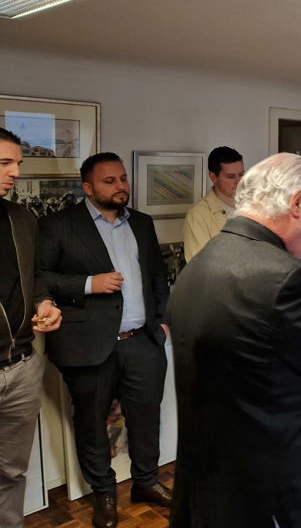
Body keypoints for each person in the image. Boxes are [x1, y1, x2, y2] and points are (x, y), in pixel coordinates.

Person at [167, 153, 301, 527]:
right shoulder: (288, 279)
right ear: (298, 202)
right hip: (287, 493)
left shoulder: (202, 263)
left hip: (221, 484)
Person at [38, 152, 172, 528]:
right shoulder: (58, 225)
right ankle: (104, 493)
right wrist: (87, 284)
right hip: (87, 344)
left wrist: (161, 322)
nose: (120, 186)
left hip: (143, 342)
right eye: (109, 181)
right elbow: (40, 277)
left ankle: (146, 482)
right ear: (88, 187)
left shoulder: (142, 223)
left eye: (123, 179)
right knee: (92, 423)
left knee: (146, 418)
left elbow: (157, 275)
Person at [0, 128, 61, 528]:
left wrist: (45, 303)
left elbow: (35, 275)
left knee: (10, 473)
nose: (16, 172)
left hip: (21, 367)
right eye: (5, 163)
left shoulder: (21, 218)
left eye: (18, 163)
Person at [183, 146, 244, 261]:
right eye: (230, 177)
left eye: (241, 175)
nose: (238, 182)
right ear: (213, 177)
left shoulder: (255, 206)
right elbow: (200, 267)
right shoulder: (198, 216)